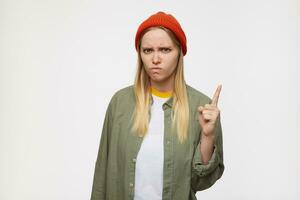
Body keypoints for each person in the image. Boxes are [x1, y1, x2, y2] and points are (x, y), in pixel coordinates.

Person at [90, 11, 224, 200]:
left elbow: (199, 183)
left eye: (165, 50)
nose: (155, 59)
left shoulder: (201, 108)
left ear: (179, 53)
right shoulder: (120, 103)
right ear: (140, 54)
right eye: (148, 50)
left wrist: (208, 136)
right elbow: (102, 175)